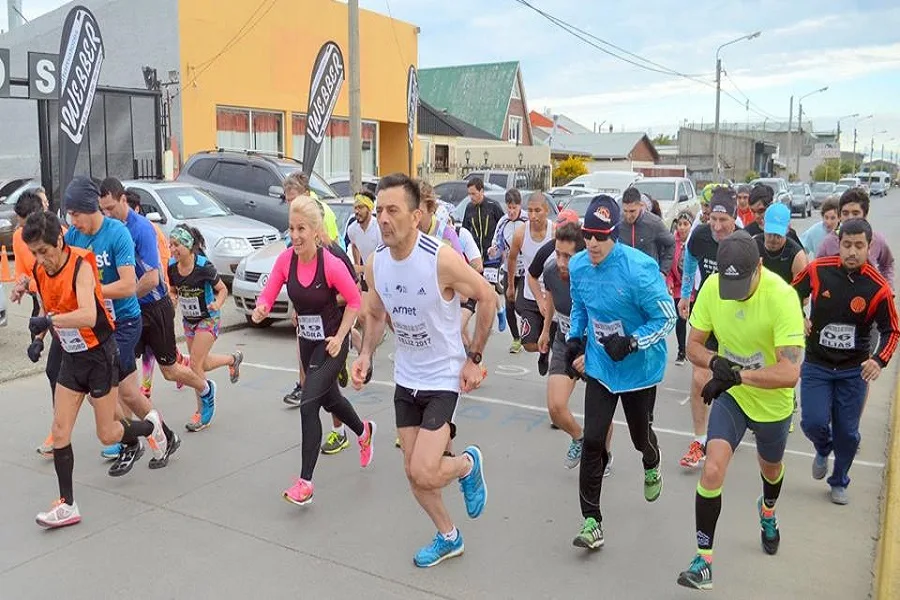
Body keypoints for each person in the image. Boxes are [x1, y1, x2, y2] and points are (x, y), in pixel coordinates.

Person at [351, 173, 493, 568]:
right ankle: (449, 535)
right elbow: (376, 314)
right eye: (379, 210)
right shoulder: (377, 263)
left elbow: (487, 296)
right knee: (415, 477)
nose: (382, 218)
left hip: (444, 377)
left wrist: (474, 358)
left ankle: (467, 464)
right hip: (406, 378)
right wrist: (366, 354)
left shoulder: (440, 258)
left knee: (424, 468)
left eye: (392, 210)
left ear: (416, 217)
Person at [676, 230, 805, 591]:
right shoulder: (715, 288)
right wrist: (717, 363)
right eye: (727, 287)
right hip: (734, 396)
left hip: (771, 403)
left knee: (771, 467)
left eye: (741, 287)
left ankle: (767, 512)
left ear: (759, 267)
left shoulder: (782, 298)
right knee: (713, 467)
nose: (732, 296)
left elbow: (789, 373)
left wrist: (738, 376)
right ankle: (704, 561)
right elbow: (694, 345)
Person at [20, 211, 159, 528]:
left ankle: (153, 429)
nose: (41, 259)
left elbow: (85, 314)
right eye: (34, 254)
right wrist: (38, 339)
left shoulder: (81, 266)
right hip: (72, 358)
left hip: (99, 356)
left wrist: (50, 322)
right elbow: (46, 309)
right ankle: (67, 505)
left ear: (59, 240)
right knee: (59, 432)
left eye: (45, 251)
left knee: (107, 433)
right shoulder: (41, 272)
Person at [566, 195, 674, 550]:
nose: (593, 243)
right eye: (588, 235)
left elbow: (667, 317)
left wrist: (631, 342)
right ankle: (591, 519)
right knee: (594, 439)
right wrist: (574, 339)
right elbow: (581, 307)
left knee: (640, 437)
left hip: (639, 368)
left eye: (601, 236)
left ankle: (652, 459)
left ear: (615, 235)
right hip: (601, 366)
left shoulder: (638, 269)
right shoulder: (580, 266)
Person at [253, 196, 375, 506]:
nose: (294, 235)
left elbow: (355, 302)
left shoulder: (330, 263)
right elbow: (269, 292)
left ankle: (305, 482)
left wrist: (341, 336)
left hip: (333, 343)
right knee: (330, 399)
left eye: (301, 229)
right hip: (307, 343)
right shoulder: (286, 260)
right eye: (291, 228)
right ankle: (363, 432)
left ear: (316, 230)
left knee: (309, 404)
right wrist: (262, 307)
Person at [61, 178, 173, 474]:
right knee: (117, 391)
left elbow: (126, 285)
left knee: (114, 389)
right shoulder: (74, 236)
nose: (73, 221)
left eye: (75, 214)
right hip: (97, 324)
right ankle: (157, 434)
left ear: (89, 207)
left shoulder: (117, 234)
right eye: (69, 216)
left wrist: (91, 292)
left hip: (125, 321)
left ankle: (136, 440)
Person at [97, 177, 211, 445]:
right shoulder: (107, 230)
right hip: (127, 314)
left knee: (169, 370)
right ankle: (125, 437)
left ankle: (205, 388)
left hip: (153, 307)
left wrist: (126, 297)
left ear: (124, 200)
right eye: (103, 209)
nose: (107, 214)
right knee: (125, 375)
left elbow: (152, 278)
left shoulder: (142, 229)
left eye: (111, 208)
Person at [793, 218, 899, 505]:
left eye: (859, 246)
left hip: (854, 370)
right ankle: (823, 447)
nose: (852, 252)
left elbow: (892, 330)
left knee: (848, 433)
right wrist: (799, 317)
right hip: (817, 364)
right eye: (847, 245)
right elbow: (789, 295)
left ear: (869, 247)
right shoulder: (818, 270)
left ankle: (839, 480)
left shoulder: (877, 287)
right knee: (812, 421)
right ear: (838, 244)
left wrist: (879, 360)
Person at [678, 187, 740, 469]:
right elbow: (690, 260)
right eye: (713, 219)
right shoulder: (701, 234)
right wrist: (686, 294)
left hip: (739, 316)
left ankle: (733, 429)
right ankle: (699, 439)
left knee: (737, 380)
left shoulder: (745, 241)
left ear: (735, 218)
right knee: (700, 376)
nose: (716, 226)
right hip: (708, 310)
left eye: (722, 220)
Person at [168, 224, 243, 416]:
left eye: (177, 245)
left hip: (208, 319)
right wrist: (173, 298)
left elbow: (223, 290)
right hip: (189, 320)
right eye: (171, 245)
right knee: (202, 364)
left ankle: (202, 410)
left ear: (189, 245)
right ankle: (232, 359)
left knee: (194, 365)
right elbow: (174, 290)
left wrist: (217, 304)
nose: (173, 249)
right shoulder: (172, 267)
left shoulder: (203, 266)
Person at [536, 217, 588, 469]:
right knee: (556, 407)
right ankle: (581, 438)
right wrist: (546, 330)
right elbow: (553, 299)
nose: (561, 262)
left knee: (600, 410)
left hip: (593, 346)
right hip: (564, 340)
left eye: (567, 257)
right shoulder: (550, 271)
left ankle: (603, 456)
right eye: (558, 254)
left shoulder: (593, 276)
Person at [13, 191, 58, 457]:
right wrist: (39, 337)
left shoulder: (59, 236)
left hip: (74, 311)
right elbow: (26, 274)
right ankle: (59, 433)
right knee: (57, 372)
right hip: (45, 304)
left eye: (23, 224)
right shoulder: (21, 240)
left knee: (96, 385)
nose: (20, 231)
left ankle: (122, 432)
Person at [508, 192, 555, 373]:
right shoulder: (521, 233)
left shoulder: (555, 232)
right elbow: (512, 259)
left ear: (546, 211)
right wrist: (511, 286)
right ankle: (543, 349)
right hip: (530, 293)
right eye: (530, 211)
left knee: (553, 333)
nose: (533, 216)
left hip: (551, 294)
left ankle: (547, 345)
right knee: (527, 343)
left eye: (538, 211)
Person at [815, 188, 894, 285]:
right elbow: (817, 271)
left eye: (855, 213)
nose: (850, 218)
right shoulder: (829, 242)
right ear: (839, 216)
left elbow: (887, 264)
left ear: (865, 215)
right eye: (845, 213)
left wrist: (888, 289)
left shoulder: (877, 240)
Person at [488, 189, 528, 351]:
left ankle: (529, 330)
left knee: (521, 304)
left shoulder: (527, 219)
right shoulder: (503, 222)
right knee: (510, 305)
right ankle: (516, 338)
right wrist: (493, 250)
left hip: (526, 269)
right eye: (509, 208)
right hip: (509, 269)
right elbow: (497, 243)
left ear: (519, 206)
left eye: (514, 208)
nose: (511, 211)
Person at [617, 187, 675, 275]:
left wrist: (663, 271)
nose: (628, 216)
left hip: (648, 278)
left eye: (632, 211)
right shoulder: (618, 222)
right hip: (624, 278)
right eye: (625, 211)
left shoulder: (654, 223)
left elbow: (671, 243)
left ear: (640, 205)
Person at [754, 203, 808, 285]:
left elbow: (800, 293)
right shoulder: (753, 246)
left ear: (788, 229)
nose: (773, 239)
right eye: (770, 233)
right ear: (763, 225)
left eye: (778, 235)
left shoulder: (797, 256)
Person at [667, 210, 694, 365]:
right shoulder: (672, 243)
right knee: (680, 319)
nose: (682, 228)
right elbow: (670, 266)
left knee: (695, 320)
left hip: (693, 289)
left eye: (686, 224)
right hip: (678, 287)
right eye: (679, 224)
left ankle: (698, 349)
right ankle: (681, 351)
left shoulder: (694, 241)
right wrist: (669, 282)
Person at [461, 177, 504, 260]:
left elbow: (503, 227)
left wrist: (498, 248)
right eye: (469, 194)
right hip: (475, 256)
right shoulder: (469, 208)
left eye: (473, 194)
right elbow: (464, 231)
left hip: (491, 257)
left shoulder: (493, 206)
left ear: (481, 191)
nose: (471, 197)